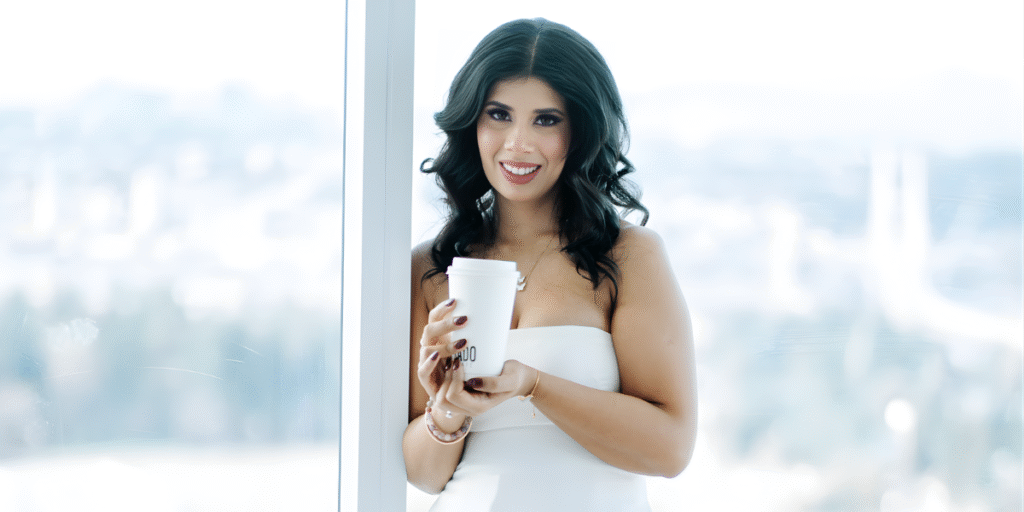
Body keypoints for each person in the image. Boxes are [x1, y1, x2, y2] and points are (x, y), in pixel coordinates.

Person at [402, 18, 697, 511]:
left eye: (546, 120)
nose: (518, 142)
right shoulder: (431, 269)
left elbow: (670, 449)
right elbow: (424, 476)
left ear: (580, 131)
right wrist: (447, 409)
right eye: (499, 114)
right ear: (473, 123)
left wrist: (532, 384)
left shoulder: (628, 256)